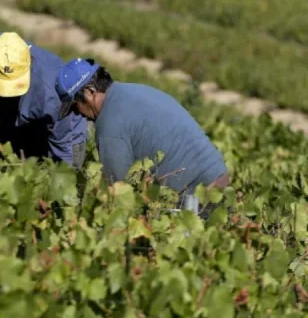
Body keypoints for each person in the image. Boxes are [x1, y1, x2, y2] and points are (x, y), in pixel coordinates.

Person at [55, 58, 230, 215]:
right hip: (218, 179)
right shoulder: (132, 91)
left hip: (197, 198)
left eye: (75, 106)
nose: (78, 114)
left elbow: (119, 192)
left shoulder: (110, 122)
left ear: (89, 92)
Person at [0, 32, 88, 168]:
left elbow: (66, 149)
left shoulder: (55, 92)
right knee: (9, 157)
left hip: (65, 125)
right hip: (19, 113)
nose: (9, 93)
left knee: (59, 165)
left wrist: (67, 179)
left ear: (30, 61)